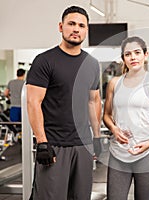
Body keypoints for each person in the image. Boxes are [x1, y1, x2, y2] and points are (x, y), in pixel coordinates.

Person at [26, 6, 101, 200]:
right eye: (71, 24)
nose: (76, 29)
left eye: (81, 25)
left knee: (81, 196)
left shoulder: (92, 64)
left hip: (82, 145)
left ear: (86, 30)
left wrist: (98, 137)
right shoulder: (44, 61)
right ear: (61, 27)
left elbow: (93, 102)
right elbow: (34, 102)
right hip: (54, 145)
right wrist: (42, 142)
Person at [103, 36, 149, 200]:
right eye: (128, 54)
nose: (133, 57)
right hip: (118, 153)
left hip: (146, 154)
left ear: (145, 55)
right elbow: (106, 115)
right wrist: (114, 129)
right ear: (123, 59)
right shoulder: (114, 83)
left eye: (137, 52)